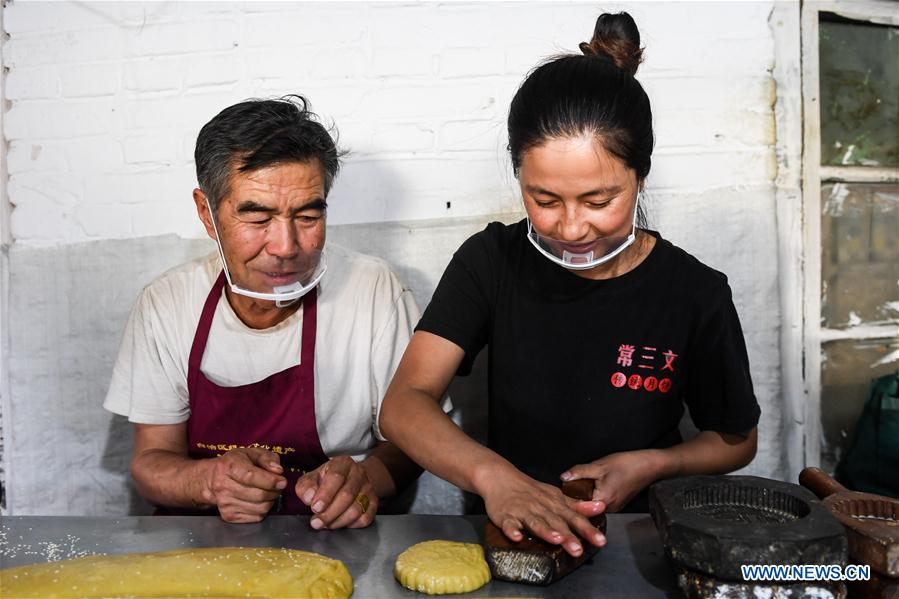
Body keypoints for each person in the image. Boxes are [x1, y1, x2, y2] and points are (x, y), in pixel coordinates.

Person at [379, 12, 760, 558]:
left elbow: (737, 439)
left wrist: (653, 463)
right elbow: (404, 404)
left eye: (599, 201)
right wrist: (496, 478)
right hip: (515, 539)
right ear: (518, 177)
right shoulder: (491, 261)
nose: (572, 227)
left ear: (640, 176)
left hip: (647, 541)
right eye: (544, 200)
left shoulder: (695, 291)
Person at [104, 95, 424, 528]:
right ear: (206, 213)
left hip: (334, 541)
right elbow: (150, 461)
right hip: (199, 549)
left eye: (308, 216)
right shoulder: (167, 304)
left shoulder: (374, 292)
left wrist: (364, 479)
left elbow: (411, 446)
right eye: (257, 219)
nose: (286, 247)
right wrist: (210, 481)